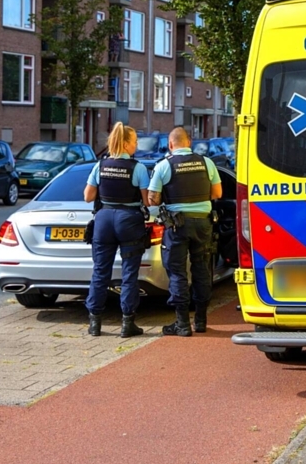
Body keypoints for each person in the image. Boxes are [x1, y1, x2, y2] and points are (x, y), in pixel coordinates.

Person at [148, 127, 222, 336]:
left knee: (178, 272)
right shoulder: (206, 162)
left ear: (170, 144)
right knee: (202, 270)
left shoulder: (164, 165)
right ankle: (200, 321)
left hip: (177, 225)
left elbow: (152, 199)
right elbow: (217, 192)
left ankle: (182, 324)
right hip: (203, 224)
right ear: (190, 142)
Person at [83, 122, 151, 338]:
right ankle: (127, 323)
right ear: (125, 143)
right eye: (134, 142)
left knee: (100, 271)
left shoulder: (100, 165)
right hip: (129, 221)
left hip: (103, 221)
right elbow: (147, 201)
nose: (136, 146)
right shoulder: (137, 168)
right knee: (129, 273)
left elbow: (88, 197)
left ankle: (95, 323)